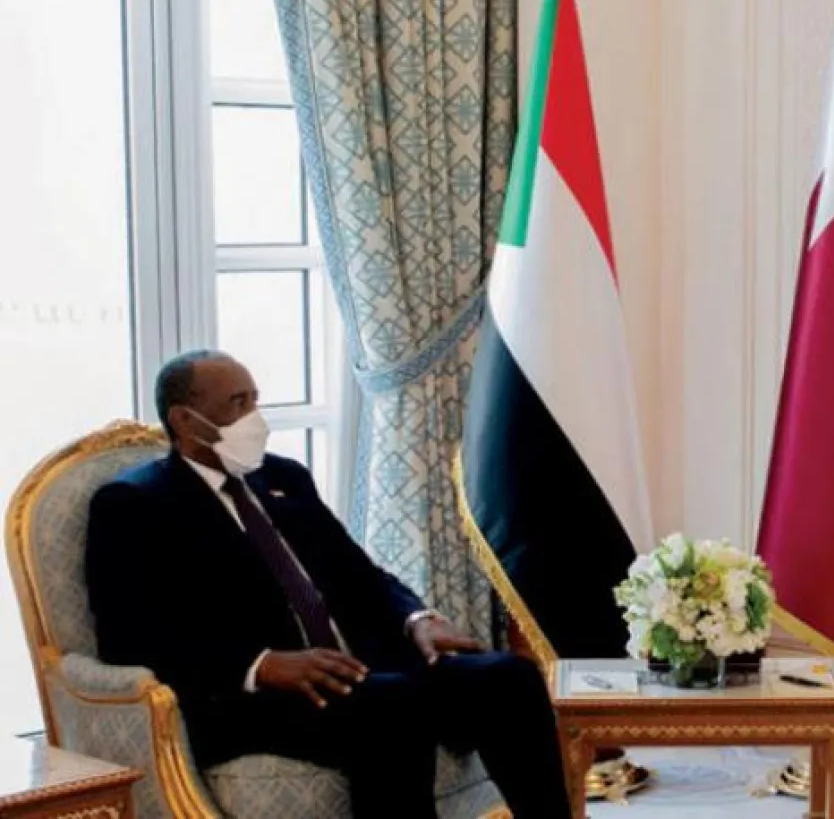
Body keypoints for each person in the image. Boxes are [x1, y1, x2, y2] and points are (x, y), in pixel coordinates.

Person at [85, 350, 571, 819]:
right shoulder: (134, 504)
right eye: (237, 404)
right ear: (185, 420)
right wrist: (261, 664)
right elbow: (129, 637)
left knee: (507, 678)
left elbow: (360, 573)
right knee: (391, 705)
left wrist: (416, 618)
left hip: (356, 668)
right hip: (248, 697)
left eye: (254, 399)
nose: (255, 417)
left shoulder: (282, 477)